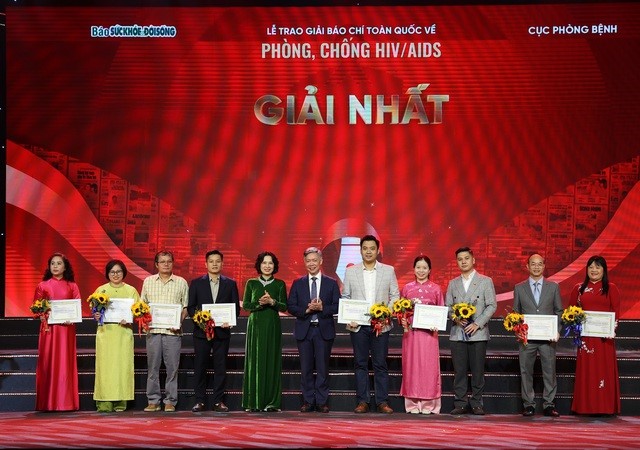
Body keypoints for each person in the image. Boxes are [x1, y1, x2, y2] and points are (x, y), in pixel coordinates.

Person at [342, 234, 400, 414]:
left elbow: (395, 296)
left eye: (372, 248)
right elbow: (346, 297)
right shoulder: (351, 271)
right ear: (360, 250)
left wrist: (385, 314)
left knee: (380, 363)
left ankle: (382, 401)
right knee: (360, 363)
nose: (368, 252)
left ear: (377, 251)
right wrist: (349, 317)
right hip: (358, 326)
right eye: (365, 248)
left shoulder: (388, 270)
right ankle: (363, 401)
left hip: (381, 325)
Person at [287, 247, 340, 413]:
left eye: (314, 260)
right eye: (308, 261)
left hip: (323, 330)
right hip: (305, 329)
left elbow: (338, 305)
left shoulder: (331, 283)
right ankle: (308, 401)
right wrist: (307, 310)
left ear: (321, 261)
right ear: (304, 262)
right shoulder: (298, 283)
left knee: (323, 368)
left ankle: (322, 401)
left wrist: (323, 308)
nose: (311, 263)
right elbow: (291, 306)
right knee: (306, 368)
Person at [445, 247, 497, 415]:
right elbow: (448, 307)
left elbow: (492, 305)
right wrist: (455, 318)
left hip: (478, 333)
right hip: (458, 333)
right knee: (459, 371)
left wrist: (478, 323)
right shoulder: (453, 283)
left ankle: (476, 403)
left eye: (466, 258)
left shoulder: (485, 281)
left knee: (477, 371)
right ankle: (460, 403)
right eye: (460, 259)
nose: (463, 261)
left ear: (473, 260)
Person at [187, 250, 240, 413]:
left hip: (222, 333)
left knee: (220, 367)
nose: (215, 264)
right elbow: (191, 308)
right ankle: (200, 401)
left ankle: (218, 401)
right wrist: (200, 320)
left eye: (218, 261)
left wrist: (230, 320)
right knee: (200, 366)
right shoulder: (196, 283)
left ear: (222, 264)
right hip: (202, 333)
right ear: (206, 264)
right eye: (211, 261)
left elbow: (235, 308)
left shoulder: (230, 283)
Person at [569, 255, 621, 415]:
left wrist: (612, 328)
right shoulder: (578, 288)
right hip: (586, 338)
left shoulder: (611, 288)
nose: (594, 270)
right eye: (591, 267)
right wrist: (575, 324)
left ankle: (605, 407)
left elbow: (616, 312)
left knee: (604, 371)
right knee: (587, 372)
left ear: (604, 270)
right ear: (586, 270)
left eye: (598, 267)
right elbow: (570, 312)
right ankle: (585, 407)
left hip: (605, 339)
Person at [513, 253, 562, 417]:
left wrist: (557, 330)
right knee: (526, 371)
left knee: (550, 371)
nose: (536, 267)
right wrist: (518, 330)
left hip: (548, 338)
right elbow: (516, 313)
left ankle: (549, 404)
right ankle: (528, 404)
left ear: (544, 266)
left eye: (539, 264)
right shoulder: (519, 288)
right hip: (527, 338)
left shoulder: (553, 287)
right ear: (527, 266)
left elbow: (559, 311)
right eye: (533, 264)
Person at [140, 250, 189, 412]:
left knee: (172, 368)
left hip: (173, 332)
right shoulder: (148, 281)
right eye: (162, 262)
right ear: (156, 265)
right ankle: (153, 400)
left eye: (169, 261)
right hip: (153, 331)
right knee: (153, 367)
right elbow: (142, 306)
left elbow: (185, 307)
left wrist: (178, 321)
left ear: (173, 263)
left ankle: (170, 401)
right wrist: (144, 320)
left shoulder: (181, 282)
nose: (166, 264)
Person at [33, 252, 81, 411]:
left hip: (66, 330)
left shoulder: (72, 286)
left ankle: (66, 402)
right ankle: (47, 403)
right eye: (52, 263)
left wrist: (72, 318)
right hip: (49, 330)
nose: (55, 266)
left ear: (65, 267)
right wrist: (41, 314)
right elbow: (36, 308)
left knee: (65, 363)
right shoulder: (43, 285)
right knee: (48, 362)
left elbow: (77, 308)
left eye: (59, 263)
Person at [241, 251, 288, 412]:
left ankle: (271, 403)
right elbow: (246, 305)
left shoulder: (280, 284)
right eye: (264, 263)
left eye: (270, 263)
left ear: (275, 266)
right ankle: (253, 402)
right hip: (255, 325)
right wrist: (260, 303)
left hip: (272, 325)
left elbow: (284, 306)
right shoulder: (251, 283)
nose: (267, 266)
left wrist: (272, 302)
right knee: (255, 361)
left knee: (272, 360)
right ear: (259, 265)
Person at [92, 259, 139, 413]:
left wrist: (131, 317)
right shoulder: (101, 290)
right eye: (112, 272)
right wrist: (96, 315)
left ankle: (121, 402)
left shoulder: (131, 290)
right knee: (105, 369)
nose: (115, 274)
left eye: (118, 271)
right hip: (106, 334)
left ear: (123, 272)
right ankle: (104, 403)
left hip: (123, 334)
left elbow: (138, 311)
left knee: (122, 368)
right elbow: (95, 311)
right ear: (108, 274)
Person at [399, 255, 444, 414]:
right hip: (411, 334)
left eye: (424, 268)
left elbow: (441, 310)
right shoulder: (407, 288)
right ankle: (412, 404)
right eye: (418, 267)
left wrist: (437, 323)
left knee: (428, 367)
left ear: (430, 270)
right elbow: (400, 310)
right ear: (414, 269)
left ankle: (428, 404)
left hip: (429, 335)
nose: (421, 271)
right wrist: (402, 320)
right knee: (411, 367)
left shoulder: (436, 289)